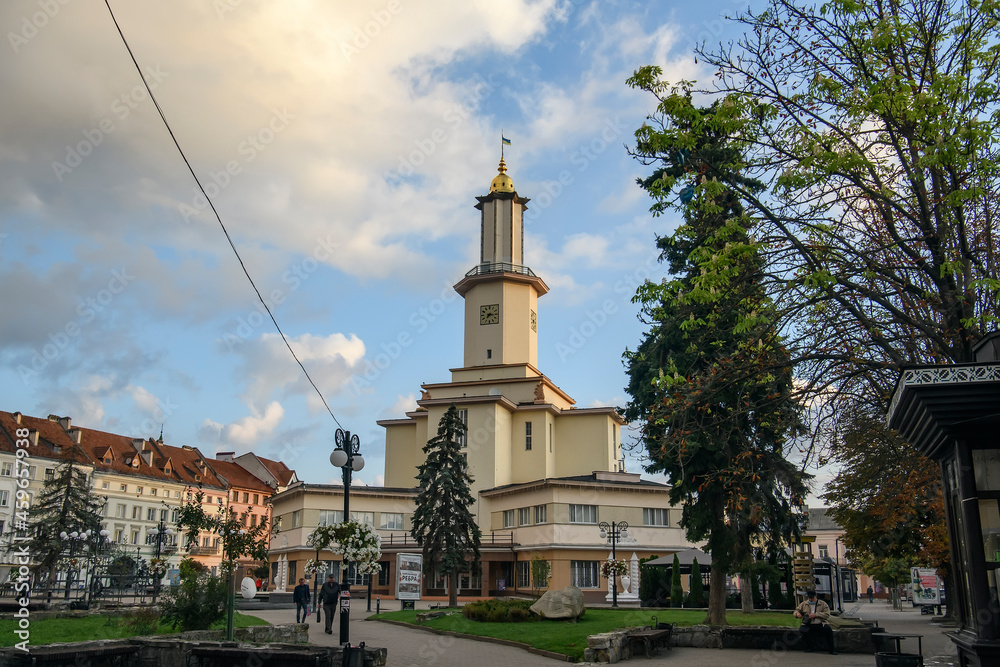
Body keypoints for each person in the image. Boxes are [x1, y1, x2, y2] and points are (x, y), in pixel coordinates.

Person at [795, 589, 837, 654]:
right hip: (808, 623)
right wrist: (797, 614)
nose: (810, 599)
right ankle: (809, 647)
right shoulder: (804, 604)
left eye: (812, 598)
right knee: (803, 630)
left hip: (820, 623)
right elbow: (797, 610)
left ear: (815, 597)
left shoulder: (822, 604)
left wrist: (816, 615)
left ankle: (831, 649)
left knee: (828, 630)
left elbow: (827, 614)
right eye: (809, 598)